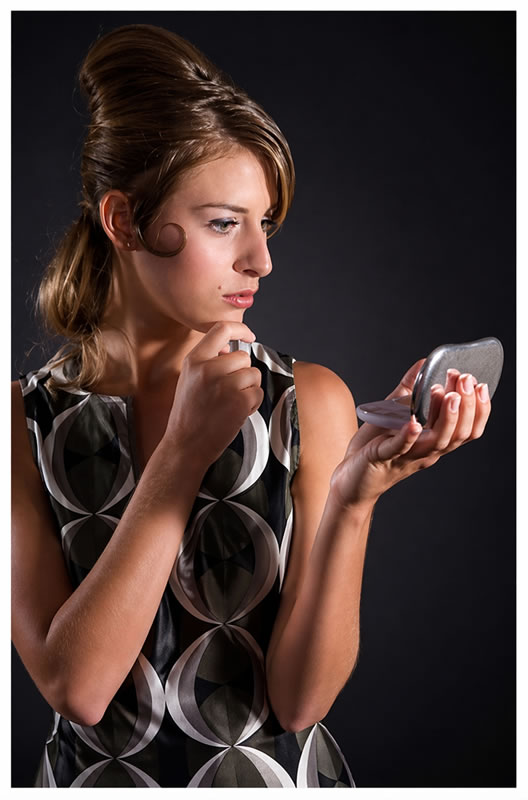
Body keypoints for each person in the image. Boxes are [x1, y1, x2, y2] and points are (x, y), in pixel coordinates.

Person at [11, 23, 492, 788]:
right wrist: (178, 459)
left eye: (263, 225)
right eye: (224, 223)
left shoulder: (310, 403)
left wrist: (354, 502)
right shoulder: (19, 423)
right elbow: (77, 688)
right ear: (124, 221)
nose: (261, 260)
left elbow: (301, 703)